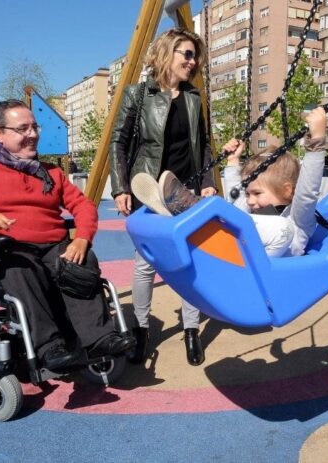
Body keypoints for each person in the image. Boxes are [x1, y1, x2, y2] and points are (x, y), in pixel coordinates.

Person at [0, 100, 135, 371]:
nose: (33, 134)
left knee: (80, 260)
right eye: (23, 128)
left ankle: (99, 339)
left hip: (52, 245)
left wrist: (83, 238)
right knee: (18, 266)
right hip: (8, 247)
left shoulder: (51, 172)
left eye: (34, 127)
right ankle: (49, 348)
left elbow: (83, 206)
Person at [109, 28, 216, 366]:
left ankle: (190, 329)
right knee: (145, 264)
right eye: (186, 53)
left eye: (194, 55)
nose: (192, 61)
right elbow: (119, 142)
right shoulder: (137, 94)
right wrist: (120, 186)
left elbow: (205, 143)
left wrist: (209, 180)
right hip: (148, 190)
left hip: (185, 190)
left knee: (190, 261)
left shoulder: (194, 98)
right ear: (167, 54)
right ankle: (141, 330)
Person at [131, 106, 327, 258]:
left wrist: (316, 142)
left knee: (281, 228)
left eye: (257, 194)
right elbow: (238, 197)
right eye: (249, 193)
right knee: (237, 209)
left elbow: (307, 192)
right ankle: (185, 216)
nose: (251, 200)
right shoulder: (252, 211)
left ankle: (195, 211)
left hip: (267, 277)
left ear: (286, 191)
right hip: (237, 261)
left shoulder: (299, 218)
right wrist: (233, 162)